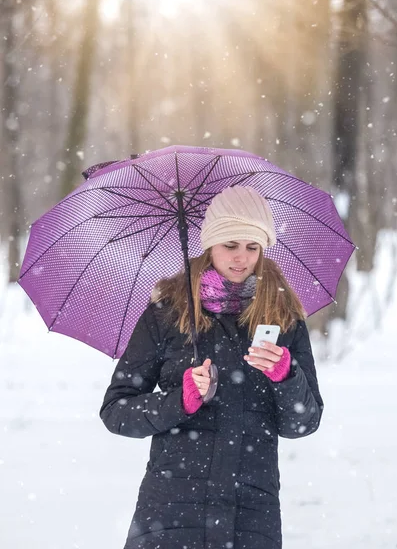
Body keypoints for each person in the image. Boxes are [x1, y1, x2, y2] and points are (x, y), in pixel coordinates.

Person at [100, 185, 324, 549]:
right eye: (230, 245)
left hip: (251, 512)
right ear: (209, 246)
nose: (241, 258)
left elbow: (304, 422)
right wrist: (179, 402)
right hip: (171, 511)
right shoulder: (168, 313)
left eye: (253, 247)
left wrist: (286, 377)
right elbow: (116, 411)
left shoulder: (283, 318)